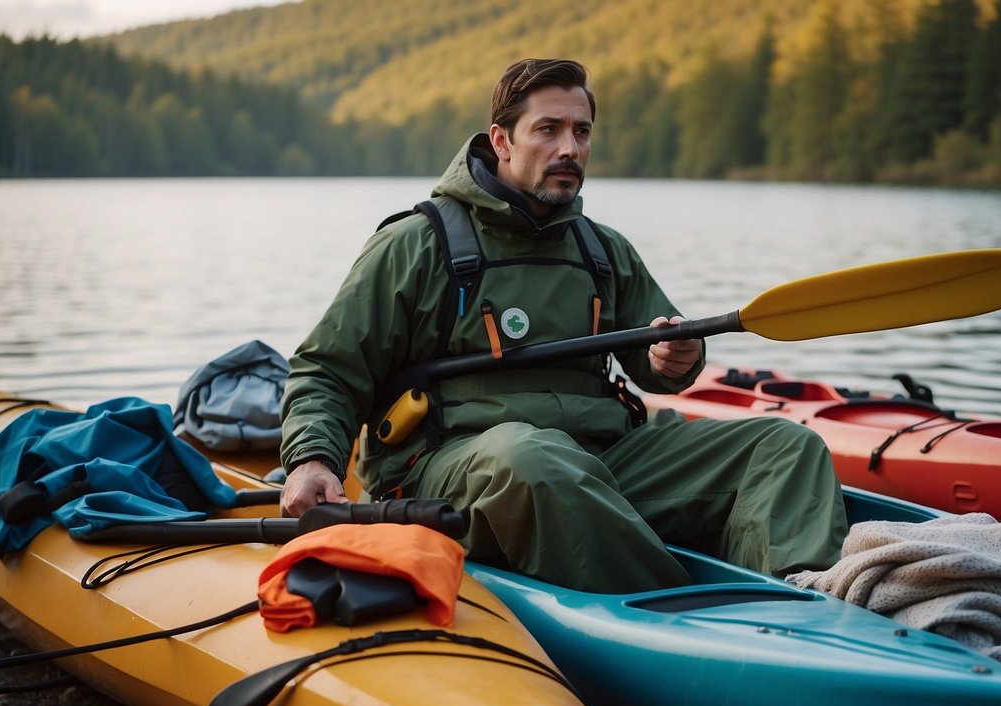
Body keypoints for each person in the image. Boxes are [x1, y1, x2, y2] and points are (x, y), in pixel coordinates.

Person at [279, 58, 846, 593]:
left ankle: (803, 602)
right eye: (547, 129)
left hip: (598, 457)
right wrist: (312, 459)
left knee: (784, 444)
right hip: (454, 466)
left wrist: (678, 360)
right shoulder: (415, 244)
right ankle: (679, 611)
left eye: (582, 131)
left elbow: (662, 366)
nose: (570, 148)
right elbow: (327, 369)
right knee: (534, 460)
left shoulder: (601, 250)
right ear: (501, 140)